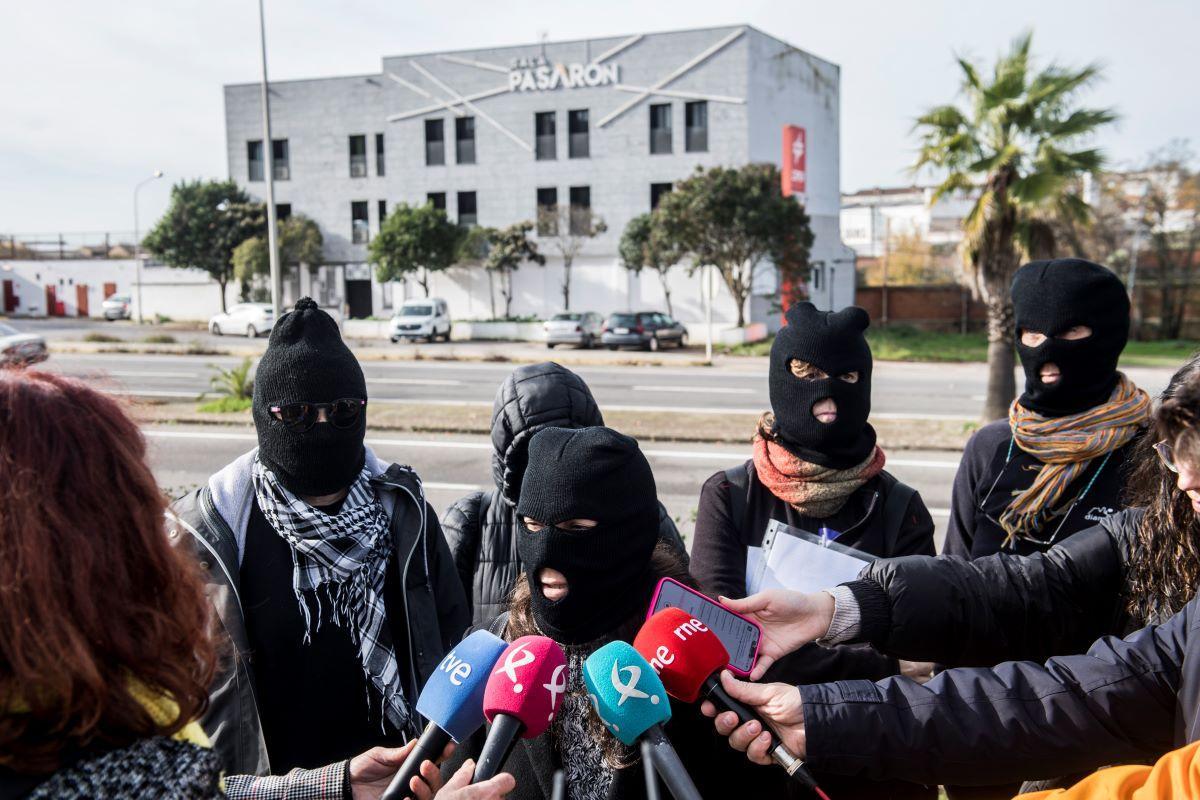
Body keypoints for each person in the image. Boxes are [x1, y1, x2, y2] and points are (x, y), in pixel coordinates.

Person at [0, 368, 512, 800]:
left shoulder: (404, 506)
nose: (151, 550)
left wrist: (332, 786)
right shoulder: (139, 771)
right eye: (130, 514)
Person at [701, 358, 1200, 790]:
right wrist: (836, 611)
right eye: (1174, 452)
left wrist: (829, 714)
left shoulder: (900, 504)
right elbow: (1022, 590)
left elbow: (1076, 700)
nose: (1186, 477)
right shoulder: (1157, 533)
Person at [170, 298, 470, 777]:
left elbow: (453, 648)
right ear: (265, 416)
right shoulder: (213, 537)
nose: (323, 426)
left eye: (344, 410)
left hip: (403, 781)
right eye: (296, 414)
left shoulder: (405, 515)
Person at [444, 425, 772, 799]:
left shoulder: (695, 657)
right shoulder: (494, 652)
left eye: (576, 528)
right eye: (532, 526)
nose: (546, 552)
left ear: (628, 534)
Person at [690, 301, 936, 798]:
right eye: (807, 372)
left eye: (844, 376)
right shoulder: (730, 496)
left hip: (874, 767)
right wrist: (871, 663)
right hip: (755, 760)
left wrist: (795, 668)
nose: (825, 394)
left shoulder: (901, 508)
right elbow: (717, 644)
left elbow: (921, 658)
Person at [442, 361, 687, 629]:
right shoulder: (469, 521)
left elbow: (682, 614)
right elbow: (443, 629)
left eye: (577, 527)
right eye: (533, 526)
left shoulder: (636, 512)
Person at [947, 258, 1150, 559]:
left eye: (1070, 331)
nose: (1046, 348)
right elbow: (953, 572)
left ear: (1111, 335)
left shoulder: (1150, 450)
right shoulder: (991, 447)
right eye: (1032, 333)